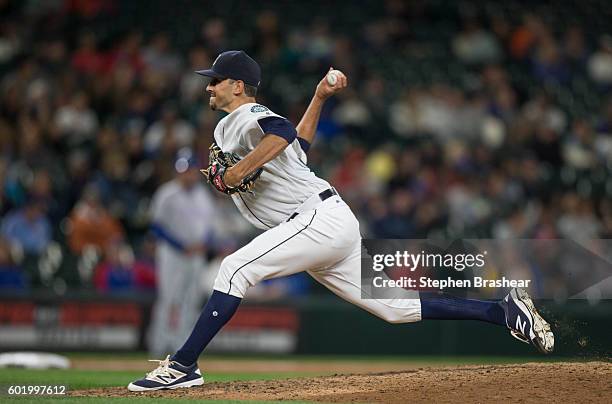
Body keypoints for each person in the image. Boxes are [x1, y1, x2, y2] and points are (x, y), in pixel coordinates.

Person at [128, 50, 554, 392]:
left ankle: (183, 364)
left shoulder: (243, 118)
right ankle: (502, 312)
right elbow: (301, 142)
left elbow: (282, 132)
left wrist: (238, 172)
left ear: (237, 86)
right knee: (395, 309)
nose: (208, 86)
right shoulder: (246, 125)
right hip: (325, 223)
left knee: (234, 268)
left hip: (317, 220)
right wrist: (319, 97)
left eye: (215, 79)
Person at [147, 149, 218, 357]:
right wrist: (181, 246)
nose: (187, 174)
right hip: (172, 254)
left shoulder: (203, 195)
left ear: (196, 171)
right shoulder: (166, 193)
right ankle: (158, 346)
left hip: (196, 255)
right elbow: (156, 227)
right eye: (183, 170)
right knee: (169, 299)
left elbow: (210, 227)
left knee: (191, 300)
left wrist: (204, 243)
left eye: (190, 170)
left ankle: (184, 347)